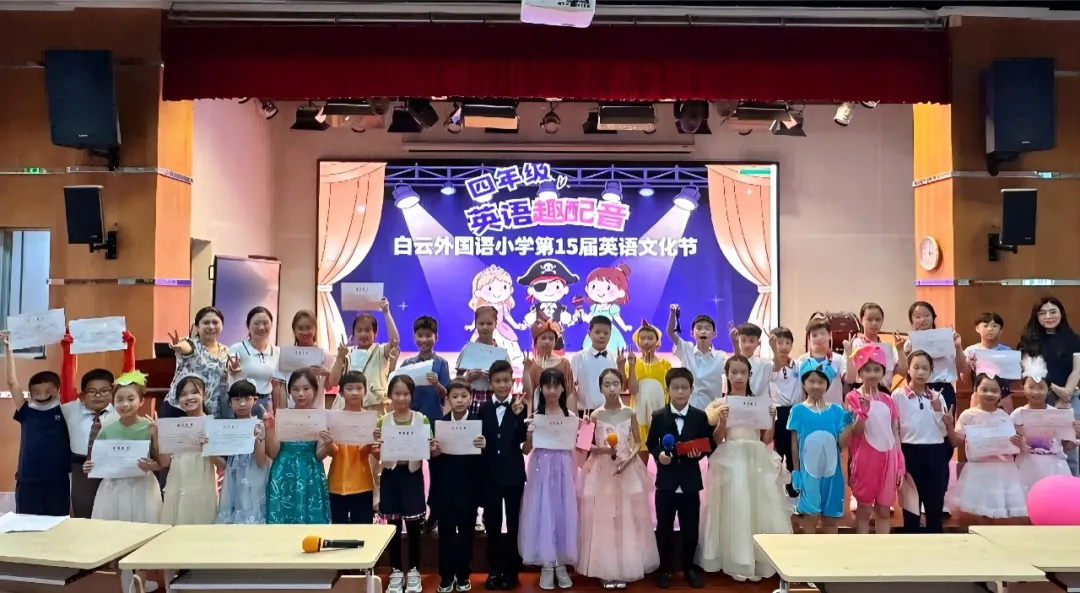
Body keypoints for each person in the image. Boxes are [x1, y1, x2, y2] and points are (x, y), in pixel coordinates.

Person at [700, 356, 789, 581]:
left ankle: (758, 557)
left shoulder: (759, 403)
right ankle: (737, 557)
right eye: (734, 372)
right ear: (727, 375)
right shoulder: (719, 404)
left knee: (759, 506)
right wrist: (722, 421)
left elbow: (765, 440)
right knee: (735, 505)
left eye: (743, 372)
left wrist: (772, 421)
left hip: (755, 458)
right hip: (731, 457)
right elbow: (717, 439)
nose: (738, 377)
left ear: (749, 375)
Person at [577, 367, 658, 589]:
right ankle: (606, 569)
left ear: (621, 386)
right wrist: (604, 450)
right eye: (607, 385)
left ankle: (623, 568)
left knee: (627, 518)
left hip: (627, 468)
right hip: (602, 470)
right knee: (604, 518)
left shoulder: (630, 412)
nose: (612, 389)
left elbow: (638, 442)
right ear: (600, 388)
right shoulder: (594, 415)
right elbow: (584, 445)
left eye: (615, 384)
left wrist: (628, 459)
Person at [84, 370, 162, 592]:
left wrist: (152, 462)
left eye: (130, 399)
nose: (125, 404)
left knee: (142, 535)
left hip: (141, 488)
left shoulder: (149, 427)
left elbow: (160, 463)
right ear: (113, 401)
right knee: (117, 538)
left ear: (141, 401)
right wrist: (89, 466)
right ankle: (126, 583)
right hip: (114, 490)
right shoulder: (107, 429)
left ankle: (140, 582)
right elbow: (95, 461)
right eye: (120, 399)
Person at [645, 367, 712, 589]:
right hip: (666, 482)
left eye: (684, 387)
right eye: (675, 387)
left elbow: (707, 444)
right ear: (668, 390)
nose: (680, 392)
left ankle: (689, 569)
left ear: (691, 389)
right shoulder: (659, 416)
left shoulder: (699, 416)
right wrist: (659, 455)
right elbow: (651, 443)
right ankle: (665, 569)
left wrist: (698, 453)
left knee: (690, 528)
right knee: (664, 528)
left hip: (690, 482)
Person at [373, 375, 433, 593]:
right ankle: (396, 570)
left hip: (412, 476)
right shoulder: (383, 421)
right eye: (397, 393)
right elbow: (377, 452)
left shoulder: (422, 420)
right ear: (390, 395)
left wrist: (432, 446)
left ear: (412, 395)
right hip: (391, 476)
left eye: (406, 393)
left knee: (415, 526)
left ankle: (414, 570)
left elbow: (430, 449)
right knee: (393, 526)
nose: (401, 398)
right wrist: (375, 450)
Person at [520, 368, 578, 590]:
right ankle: (546, 564)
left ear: (563, 388)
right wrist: (529, 435)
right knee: (543, 511)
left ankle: (560, 563)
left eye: (556, 386)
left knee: (563, 512)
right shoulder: (535, 417)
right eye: (547, 386)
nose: (552, 390)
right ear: (541, 389)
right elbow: (526, 450)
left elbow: (578, 446)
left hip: (564, 468)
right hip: (541, 469)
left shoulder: (570, 417)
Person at [2, 330, 69, 516]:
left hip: (57, 480)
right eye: (37, 392)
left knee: (56, 523)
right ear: (30, 394)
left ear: (58, 391)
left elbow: (69, 376)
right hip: (28, 479)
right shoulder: (26, 410)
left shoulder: (65, 410)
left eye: (49, 391)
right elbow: (11, 382)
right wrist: (8, 348)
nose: (43, 395)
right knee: (25, 522)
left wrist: (68, 349)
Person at [945, 372, 1028, 522]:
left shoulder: (1004, 416)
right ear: (976, 389)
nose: (989, 394)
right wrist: (949, 426)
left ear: (1000, 393)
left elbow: (1012, 444)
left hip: (1004, 471)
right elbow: (956, 442)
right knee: (979, 515)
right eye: (984, 389)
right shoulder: (968, 415)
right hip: (979, 470)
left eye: (994, 390)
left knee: (1001, 515)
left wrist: (1018, 442)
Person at [430, 380, 486, 593]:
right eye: (455, 396)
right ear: (448, 399)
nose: (459, 400)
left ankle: (463, 574)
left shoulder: (478, 425)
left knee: (466, 533)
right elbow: (432, 460)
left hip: (469, 489)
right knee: (445, 534)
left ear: (470, 398)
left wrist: (484, 446)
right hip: (445, 489)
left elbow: (484, 461)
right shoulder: (439, 424)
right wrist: (434, 453)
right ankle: (446, 576)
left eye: (464, 396)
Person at [477, 360, 527, 591]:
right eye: (497, 381)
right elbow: (480, 439)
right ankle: (494, 569)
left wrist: (517, 417)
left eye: (506, 380)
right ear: (490, 383)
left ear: (512, 381)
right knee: (492, 521)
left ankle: (511, 570)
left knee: (514, 521)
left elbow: (521, 439)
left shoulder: (520, 406)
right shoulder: (483, 409)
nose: (502, 385)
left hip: (513, 474)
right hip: (489, 476)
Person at [788, 359, 853, 534]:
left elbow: (842, 444)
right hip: (808, 474)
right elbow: (794, 444)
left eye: (821, 381)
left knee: (830, 519)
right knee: (810, 516)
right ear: (803, 383)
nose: (816, 385)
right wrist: (796, 471)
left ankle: (831, 550)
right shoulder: (797, 411)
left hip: (833, 474)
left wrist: (848, 423)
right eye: (811, 381)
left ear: (827, 384)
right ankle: (809, 550)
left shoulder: (837, 411)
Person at [845, 344, 904, 534]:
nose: (872, 374)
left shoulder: (889, 400)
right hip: (865, 460)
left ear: (883, 372)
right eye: (867, 370)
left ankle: (882, 548)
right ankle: (863, 547)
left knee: (884, 511)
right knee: (864, 511)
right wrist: (862, 413)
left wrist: (900, 461)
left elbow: (894, 433)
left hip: (889, 459)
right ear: (860, 372)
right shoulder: (852, 397)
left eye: (877, 369)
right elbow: (855, 433)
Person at [1017, 297, 1080, 475]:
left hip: (1070, 398)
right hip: (1040, 398)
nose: (1048, 316)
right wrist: (1056, 391)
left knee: (1070, 449)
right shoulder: (1029, 341)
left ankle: (1072, 488)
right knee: (1042, 448)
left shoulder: (1074, 339)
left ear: (1061, 314)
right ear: (1036, 316)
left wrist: (1066, 394)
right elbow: (1032, 373)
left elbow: (1077, 370)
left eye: (1053, 312)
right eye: (1042, 313)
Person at [892, 350, 952, 533]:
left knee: (935, 507)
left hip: (936, 453)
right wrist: (898, 457)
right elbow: (895, 430)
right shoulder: (898, 395)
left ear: (931, 371)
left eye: (925, 368)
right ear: (908, 369)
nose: (920, 372)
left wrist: (938, 410)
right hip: (909, 453)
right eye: (916, 367)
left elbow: (944, 432)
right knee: (911, 510)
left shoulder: (937, 396)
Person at [265, 368, 332, 524]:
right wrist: (270, 430)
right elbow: (273, 453)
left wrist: (328, 444)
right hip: (283, 472)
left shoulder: (321, 417)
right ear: (289, 392)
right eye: (295, 389)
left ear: (315, 390)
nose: (300, 394)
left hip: (311, 473)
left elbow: (319, 455)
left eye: (306, 388)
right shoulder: (283, 416)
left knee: (311, 519)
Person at [159, 376, 219, 524]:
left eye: (194, 392)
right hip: (177, 483)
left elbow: (222, 464)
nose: (189, 397)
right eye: (183, 394)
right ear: (178, 400)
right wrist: (157, 436)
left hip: (202, 483)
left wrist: (208, 447)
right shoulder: (173, 426)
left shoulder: (213, 424)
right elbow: (165, 462)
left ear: (204, 395)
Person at [1012, 355, 1075, 489]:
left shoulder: (1058, 415)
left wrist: (1072, 436)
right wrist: (1015, 440)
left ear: (1049, 389)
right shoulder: (1017, 414)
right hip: (1026, 465)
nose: (1036, 392)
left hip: (1054, 466)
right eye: (1031, 387)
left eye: (1041, 387)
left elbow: (1068, 445)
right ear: (1023, 388)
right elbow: (1009, 443)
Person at [213, 380, 270, 524]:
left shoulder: (259, 426)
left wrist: (257, 440)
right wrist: (207, 449)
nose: (242, 404)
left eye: (247, 399)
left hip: (255, 478)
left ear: (255, 400)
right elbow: (224, 465)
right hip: (233, 478)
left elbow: (261, 462)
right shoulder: (227, 429)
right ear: (230, 403)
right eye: (237, 400)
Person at [329, 297, 401, 411]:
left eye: (367, 330)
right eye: (359, 330)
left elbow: (394, 341)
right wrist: (340, 357)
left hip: (373, 407)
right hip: (345, 408)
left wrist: (386, 313)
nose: (363, 334)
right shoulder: (346, 352)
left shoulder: (380, 350)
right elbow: (332, 381)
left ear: (375, 333)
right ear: (354, 333)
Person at [64, 368, 117, 518]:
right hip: (80, 469)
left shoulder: (120, 412)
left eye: (104, 391)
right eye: (92, 391)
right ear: (83, 395)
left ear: (112, 391)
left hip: (111, 469)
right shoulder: (69, 410)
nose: (98, 396)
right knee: (83, 511)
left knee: (108, 513)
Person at [326, 371, 376, 525]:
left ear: (365, 392)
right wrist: (328, 442)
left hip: (362, 482)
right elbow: (333, 452)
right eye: (349, 388)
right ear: (341, 392)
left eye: (359, 388)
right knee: (337, 528)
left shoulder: (370, 418)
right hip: (337, 481)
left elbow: (364, 452)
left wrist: (371, 442)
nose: (355, 392)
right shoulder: (334, 418)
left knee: (363, 529)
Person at [163, 306, 230, 418]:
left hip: (211, 410)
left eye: (215, 322)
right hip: (181, 408)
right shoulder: (192, 344)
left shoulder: (227, 351)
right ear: (197, 327)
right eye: (206, 323)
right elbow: (185, 348)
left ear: (222, 326)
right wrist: (178, 346)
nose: (211, 326)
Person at [905, 301, 966, 410]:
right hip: (917, 388)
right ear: (911, 320)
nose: (922, 320)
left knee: (945, 419)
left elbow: (963, 369)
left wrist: (957, 346)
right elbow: (904, 371)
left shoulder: (947, 338)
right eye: (917, 316)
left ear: (933, 317)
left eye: (926, 315)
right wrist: (905, 354)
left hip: (943, 388)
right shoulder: (908, 344)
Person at [272, 309, 336, 410]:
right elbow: (280, 386)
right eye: (300, 328)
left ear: (315, 329)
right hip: (292, 410)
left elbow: (328, 386)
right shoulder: (286, 353)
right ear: (294, 329)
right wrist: (281, 411)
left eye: (308, 328)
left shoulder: (324, 354)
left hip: (316, 411)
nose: (305, 332)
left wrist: (327, 374)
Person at [666, 305, 726, 411]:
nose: (703, 331)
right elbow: (670, 332)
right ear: (692, 333)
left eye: (707, 328)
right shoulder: (686, 349)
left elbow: (737, 367)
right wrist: (673, 314)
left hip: (712, 411)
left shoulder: (721, 356)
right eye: (699, 328)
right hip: (688, 410)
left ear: (714, 334)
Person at [627, 320, 671, 464]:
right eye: (643, 338)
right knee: (640, 464)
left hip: (659, 419)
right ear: (637, 341)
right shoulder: (632, 364)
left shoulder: (665, 365)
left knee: (662, 461)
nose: (646, 342)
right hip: (639, 421)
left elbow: (670, 392)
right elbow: (632, 390)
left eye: (650, 338)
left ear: (657, 341)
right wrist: (631, 365)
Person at [457, 306, 510, 417]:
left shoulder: (501, 353)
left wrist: (493, 380)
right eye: (481, 324)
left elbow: (508, 379)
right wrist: (467, 378)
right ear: (475, 324)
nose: (485, 327)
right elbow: (458, 378)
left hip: (494, 398)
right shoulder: (468, 350)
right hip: (470, 398)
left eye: (489, 323)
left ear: (495, 324)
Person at [227, 307, 279, 417]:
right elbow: (230, 364)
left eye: (265, 323)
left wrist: (277, 411)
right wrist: (231, 367)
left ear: (271, 325)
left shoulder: (277, 352)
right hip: (242, 403)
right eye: (256, 323)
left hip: (265, 402)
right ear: (248, 325)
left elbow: (277, 385)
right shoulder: (237, 348)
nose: (261, 327)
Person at [768, 327, 800, 500]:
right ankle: (775, 488)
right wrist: (774, 351)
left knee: (794, 451)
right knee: (779, 451)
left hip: (795, 410)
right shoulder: (770, 366)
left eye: (787, 342)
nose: (784, 346)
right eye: (779, 342)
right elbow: (773, 372)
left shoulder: (798, 365)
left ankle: (793, 486)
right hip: (778, 412)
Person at [523, 313, 575, 415]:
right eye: (543, 338)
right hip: (538, 414)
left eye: (551, 339)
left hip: (561, 414)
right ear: (535, 341)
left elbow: (570, 393)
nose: (547, 342)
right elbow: (528, 395)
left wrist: (572, 418)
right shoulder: (531, 364)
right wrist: (526, 370)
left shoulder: (564, 363)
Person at [845, 303, 907, 387]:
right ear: (861, 320)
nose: (874, 323)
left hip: (884, 391)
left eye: (878, 320)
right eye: (869, 319)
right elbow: (848, 378)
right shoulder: (853, 344)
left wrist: (900, 350)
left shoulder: (888, 348)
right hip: (858, 390)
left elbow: (903, 372)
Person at [964, 312, 1015, 412]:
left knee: (1004, 420)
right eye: (985, 326)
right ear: (977, 328)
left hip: (1003, 395)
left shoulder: (1008, 351)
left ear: (1001, 330)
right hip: (978, 395)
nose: (990, 329)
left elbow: (1013, 378)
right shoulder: (971, 351)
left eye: (994, 326)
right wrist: (970, 366)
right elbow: (964, 379)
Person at [577, 264, 633, 352]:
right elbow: (590, 318)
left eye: (608, 287)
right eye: (594, 286)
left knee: (611, 350)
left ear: (620, 291)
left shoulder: (612, 308)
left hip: (609, 331)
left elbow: (617, 318)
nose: (600, 291)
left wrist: (624, 326)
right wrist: (582, 315)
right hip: (595, 331)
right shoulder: (594, 308)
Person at [570, 317, 616, 415]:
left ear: (610, 335)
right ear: (589, 333)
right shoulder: (578, 357)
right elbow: (571, 389)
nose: (601, 336)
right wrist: (574, 412)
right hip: (585, 412)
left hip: (610, 412)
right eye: (597, 332)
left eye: (606, 333)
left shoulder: (615, 358)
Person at [796, 316, 846, 406]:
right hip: (810, 409)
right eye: (814, 335)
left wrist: (849, 355)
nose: (819, 338)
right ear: (809, 338)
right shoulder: (802, 360)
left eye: (822, 334)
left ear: (829, 335)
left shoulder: (838, 359)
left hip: (834, 410)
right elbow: (800, 390)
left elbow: (850, 380)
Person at [733, 324, 773, 398]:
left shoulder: (765, 364)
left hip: (759, 403)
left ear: (758, 343)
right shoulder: (729, 363)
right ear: (738, 340)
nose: (747, 345)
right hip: (737, 403)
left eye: (751, 341)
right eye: (743, 340)